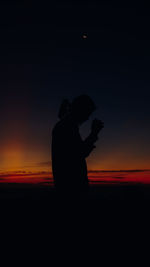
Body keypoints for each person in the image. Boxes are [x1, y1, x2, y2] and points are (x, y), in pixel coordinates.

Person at [51, 95, 104, 198]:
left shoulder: (65, 125)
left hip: (66, 187)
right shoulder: (67, 127)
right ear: (80, 110)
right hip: (72, 188)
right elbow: (80, 153)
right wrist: (94, 133)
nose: (87, 118)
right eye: (87, 113)